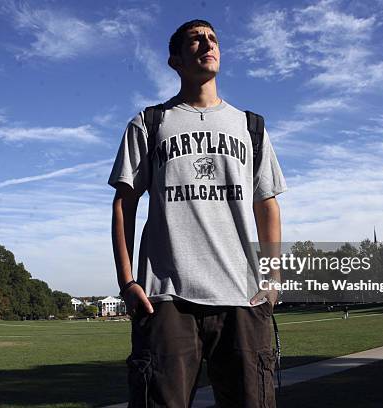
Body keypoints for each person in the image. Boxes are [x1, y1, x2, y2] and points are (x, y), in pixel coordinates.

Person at [109, 19, 287, 408]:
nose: (207, 43)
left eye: (212, 38)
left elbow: (266, 204)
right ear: (175, 60)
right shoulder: (150, 123)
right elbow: (124, 202)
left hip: (243, 296)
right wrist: (127, 281)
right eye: (195, 39)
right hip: (167, 297)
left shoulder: (250, 126)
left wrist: (273, 278)